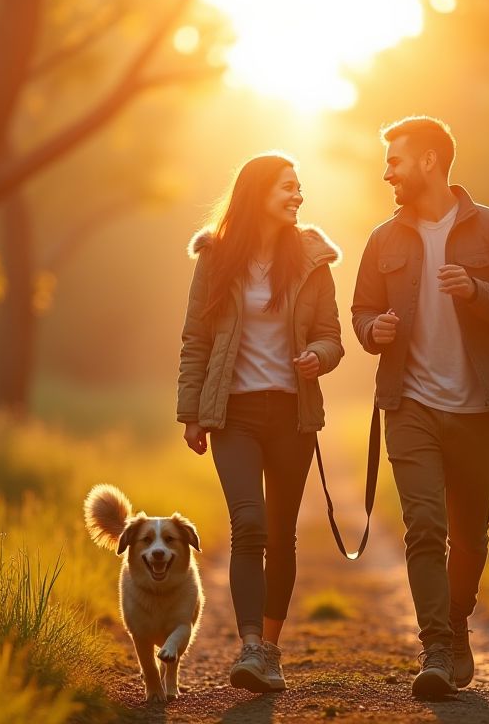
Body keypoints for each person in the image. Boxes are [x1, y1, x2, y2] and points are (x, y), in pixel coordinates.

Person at [351, 116, 489, 699]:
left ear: (429, 160)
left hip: (476, 407)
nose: (388, 173)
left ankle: (456, 623)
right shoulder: (383, 239)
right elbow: (360, 312)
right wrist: (373, 330)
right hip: (409, 404)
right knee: (425, 527)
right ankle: (434, 650)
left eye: (395, 161)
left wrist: (475, 291)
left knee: (470, 536)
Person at [177, 153, 344, 693]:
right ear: (257, 194)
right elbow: (196, 339)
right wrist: (190, 412)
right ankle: (250, 646)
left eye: (299, 187)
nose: (297, 196)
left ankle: (270, 649)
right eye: (286, 187)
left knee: (280, 532)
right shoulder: (216, 258)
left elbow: (331, 335)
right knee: (249, 524)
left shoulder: (312, 260)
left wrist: (318, 356)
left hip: (293, 416)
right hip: (235, 414)